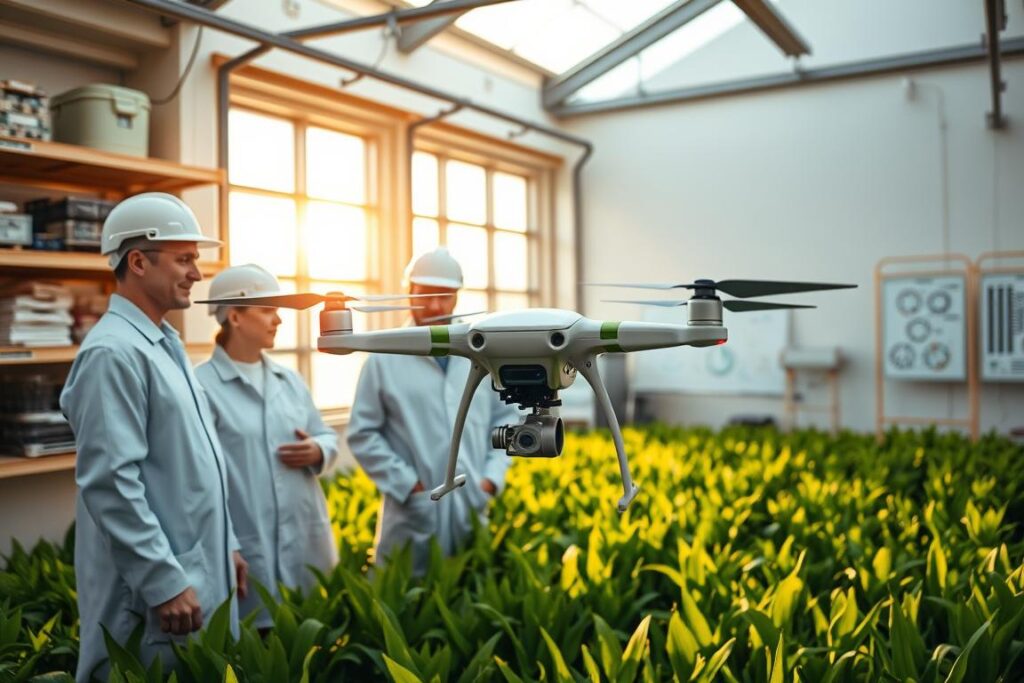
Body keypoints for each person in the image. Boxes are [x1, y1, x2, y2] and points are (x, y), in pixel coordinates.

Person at [59, 193, 246, 682]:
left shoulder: (165, 344)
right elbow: (111, 483)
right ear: (138, 261)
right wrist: (162, 582)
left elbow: (192, 466)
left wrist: (226, 545)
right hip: (151, 596)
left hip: (195, 568)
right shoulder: (113, 354)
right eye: (185, 260)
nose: (197, 273)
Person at [347, 247, 519, 575]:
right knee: (404, 602)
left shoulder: (483, 353)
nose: (436, 307)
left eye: (446, 296)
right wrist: (406, 484)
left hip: (471, 502)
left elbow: (506, 418)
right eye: (425, 295)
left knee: (466, 594)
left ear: (457, 296)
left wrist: (491, 480)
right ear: (409, 292)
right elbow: (362, 433)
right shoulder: (383, 356)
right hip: (413, 509)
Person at [196, 264, 339, 628]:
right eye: (267, 310)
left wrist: (318, 450)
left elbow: (324, 434)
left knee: (309, 638)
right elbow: (198, 478)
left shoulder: (289, 379)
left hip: (305, 537)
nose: (278, 320)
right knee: (257, 648)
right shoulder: (200, 386)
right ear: (235, 316)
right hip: (244, 544)